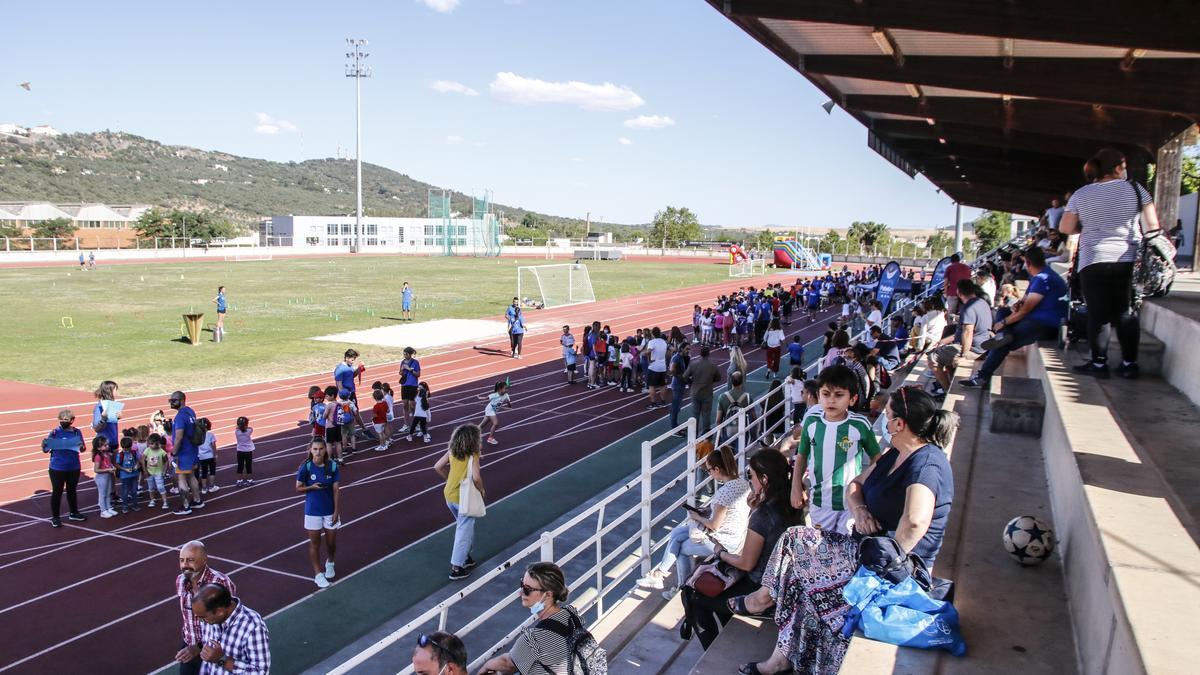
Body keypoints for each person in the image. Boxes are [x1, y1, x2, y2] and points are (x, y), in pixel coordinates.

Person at [680, 448, 802, 649]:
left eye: (751, 476)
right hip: (782, 583)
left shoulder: (763, 515)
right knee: (717, 590)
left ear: (763, 479)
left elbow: (746, 563)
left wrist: (720, 552)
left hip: (759, 587)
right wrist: (754, 508)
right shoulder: (793, 504)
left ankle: (712, 655)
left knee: (692, 595)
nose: (750, 480)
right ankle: (726, 638)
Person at [1059, 147, 1162, 379]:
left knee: (1098, 314)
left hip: (1093, 259)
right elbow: (1152, 226)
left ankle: (1098, 364)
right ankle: (1129, 364)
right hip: (1128, 258)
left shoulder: (1081, 194)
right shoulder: (1137, 190)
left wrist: (1087, 227)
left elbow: (1065, 228)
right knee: (1126, 312)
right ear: (1117, 167)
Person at [636, 446, 751, 597]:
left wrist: (697, 517)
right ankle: (660, 575)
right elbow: (728, 513)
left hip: (724, 543)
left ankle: (683, 590)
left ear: (717, 469)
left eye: (708, 470)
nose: (708, 473)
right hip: (735, 536)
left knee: (681, 550)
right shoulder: (742, 483)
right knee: (677, 533)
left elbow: (714, 525)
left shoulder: (724, 493)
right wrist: (708, 512)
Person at [789, 365, 881, 534]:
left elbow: (877, 457)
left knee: (847, 552)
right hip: (820, 501)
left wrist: (866, 484)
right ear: (818, 395)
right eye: (826, 394)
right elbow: (802, 455)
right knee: (821, 549)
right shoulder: (812, 423)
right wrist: (795, 486)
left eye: (839, 395)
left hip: (851, 504)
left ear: (852, 399)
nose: (831, 400)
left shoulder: (860, 425)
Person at [963, 246, 1069, 388]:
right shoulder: (1041, 276)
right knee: (1003, 312)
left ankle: (982, 376)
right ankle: (1002, 336)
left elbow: (1025, 310)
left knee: (1003, 343)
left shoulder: (1043, 279)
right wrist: (1016, 306)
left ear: (1029, 263)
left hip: (1045, 325)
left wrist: (1004, 322)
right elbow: (1023, 302)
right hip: (1036, 318)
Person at [476, 562, 591, 675]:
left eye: (527, 589)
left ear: (548, 595)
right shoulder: (570, 617)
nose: (521, 592)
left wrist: (486, 666)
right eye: (522, 585)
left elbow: (506, 663)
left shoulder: (536, 637)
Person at [175, 541, 236, 675]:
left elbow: (230, 625)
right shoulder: (180, 581)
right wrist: (191, 644)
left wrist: (199, 647)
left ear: (204, 560)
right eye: (182, 560)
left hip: (215, 651)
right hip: (189, 648)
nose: (185, 565)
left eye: (190, 560)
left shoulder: (220, 583)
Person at [435, 424, 484, 580]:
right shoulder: (473, 454)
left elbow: (437, 467)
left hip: (449, 495)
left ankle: (465, 557)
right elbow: (476, 477)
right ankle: (457, 567)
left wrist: (450, 479)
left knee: (464, 526)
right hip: (464, 497)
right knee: (463, 530)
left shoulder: (452, 451)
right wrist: (482, 490)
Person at [929, 280, 992, 394]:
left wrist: (964, 355)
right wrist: (944, 340)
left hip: (974, 349)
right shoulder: (982, 302)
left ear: (959, 292)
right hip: (983, 345)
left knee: (932, 358)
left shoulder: (968, 308)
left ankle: (947, 390)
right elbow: (965, 331)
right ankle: (949, 382)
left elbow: (968, 332)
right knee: (944, 351)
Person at [191, 583, 270, 674]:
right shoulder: (209, 617)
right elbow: (208, 660)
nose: (201, 621)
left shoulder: (252, 626)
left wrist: (222, 659)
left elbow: (261, 672)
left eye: (203, 617)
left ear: (220, 611)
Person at [296, 436, 340, 588]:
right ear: (310, 450)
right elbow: (298, 487)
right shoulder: (306, 468)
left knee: (331, 543)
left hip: (329, 511)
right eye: (315, 449)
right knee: (314, 543)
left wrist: (336, 511)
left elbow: (336, 490)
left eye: (321, 449)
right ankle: (318, 574)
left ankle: (330, 562)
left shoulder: (332, 466)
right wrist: (311, 487)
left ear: (325, 450)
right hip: (312, 512)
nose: (318, 452)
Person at [42, 409, 87, 527]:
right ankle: (55, 517)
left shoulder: (77, 432)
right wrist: (44, 445)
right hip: (57, 468)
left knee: (72, 490)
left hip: (73, 466)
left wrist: (81, 446)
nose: (63, 422)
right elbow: (46, 450)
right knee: (57, 491)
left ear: (72, 420)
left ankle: (74, 512)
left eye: (66, 420)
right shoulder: (54, 433)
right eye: (61, 420)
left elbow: (83, 449)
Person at [170, 391, 204, 515]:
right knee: (191, 475)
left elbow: (179, 437)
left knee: (181, 477)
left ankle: (185, 506)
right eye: (170, 400)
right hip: (193, 449)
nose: (171, 403)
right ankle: (197, 500)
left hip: (183, 452)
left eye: (173, 400)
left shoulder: (179, 417)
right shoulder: (190, 411)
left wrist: (174, 452)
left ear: (182, 400)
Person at [683, 345, 722, 437]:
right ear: (709, 354)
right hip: (707, 392)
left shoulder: (693, 364)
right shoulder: (712, 365)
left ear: (700, 354)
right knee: (706, 414)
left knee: (695, 413)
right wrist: (710, 380)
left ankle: (694, 434)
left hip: (695, 392)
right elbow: (718, 378)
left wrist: (691, 382)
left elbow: (685, 376)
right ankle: (706, 435)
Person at [142, 433, 171, 509]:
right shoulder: (147, 450)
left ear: (158, 443)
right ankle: (152, 500)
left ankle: (165, 501)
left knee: (160, 487)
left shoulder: (162, 452)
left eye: (152, 444)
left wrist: (164, 471)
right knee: (151, 487)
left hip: (158, 472)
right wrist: (145, 471)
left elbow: (166, 462)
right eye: (149, 443)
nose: (150, 445)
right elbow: (142, 460)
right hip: (150, 472)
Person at [91, 436, 118, 518]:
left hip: (108, 475)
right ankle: (103, 511)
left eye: (107, 445)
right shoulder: (98, 457)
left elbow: (109, 463)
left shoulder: (106, 454)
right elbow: (96, 470)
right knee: (103, 494)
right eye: (105, 445)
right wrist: (108, 469)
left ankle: (108, 507)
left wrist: (112, 467)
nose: (107, 446)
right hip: (102, 477)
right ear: (98, 448)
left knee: (108, 493)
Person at [92, 380, 121, 450]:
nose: (116, 393)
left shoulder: (112, 404)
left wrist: (118, 417)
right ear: (109, 391)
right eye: (115, 390)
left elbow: (111, 424)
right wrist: (103, 418)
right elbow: (96, 428)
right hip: (104, 445)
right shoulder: (100, 407)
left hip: (114, 442)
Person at [398, 347, 421, 434]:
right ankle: (406, 425)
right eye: (403, 354)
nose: (404, 355)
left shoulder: (415, 362)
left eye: (406, 354)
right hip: (404, 385)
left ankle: (417, 423)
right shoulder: (403, 362)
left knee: (412, 405)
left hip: (413, 385)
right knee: (404, 405)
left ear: (410, 354)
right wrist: (402, 370)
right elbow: (400, 373)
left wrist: (410, 369)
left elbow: (418, 374)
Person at [645, 327, 669, 410]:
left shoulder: (652, 342)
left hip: (654, 367)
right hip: (663, 367)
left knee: (652, 386)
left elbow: (648, 351)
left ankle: (653, 403)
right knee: (662, 385)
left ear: (652, 334)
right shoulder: (664, 342)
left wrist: (645, 354)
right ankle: (663, 402)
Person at [668, 343, 691, 432]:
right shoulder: (676, 357)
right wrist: (681, 377)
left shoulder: (682, 358)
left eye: (689, 349)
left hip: (680, 385)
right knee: (675, 407)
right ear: (681, 349)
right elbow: (672, 370)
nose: (688, 351)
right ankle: (674, 428)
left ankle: (676, 425)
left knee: (677, 407)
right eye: (687, 349)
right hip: (677, 385)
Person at [480, 381, 511, 446]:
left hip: (493, 411)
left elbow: (509, 406)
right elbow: (486, 397)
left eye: (507, 388)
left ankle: (472, 434)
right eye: (505, 388)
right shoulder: (495, 395)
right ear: (500, 389)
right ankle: (490, 438)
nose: (507, 390)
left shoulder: (506, 395)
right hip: (489, 409)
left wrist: (508, 403)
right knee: (496, 423)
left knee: (482, 425)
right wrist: (480, 398)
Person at [116, 436, 142, 513]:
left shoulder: (134, 452)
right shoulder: (120, 455)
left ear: (131, 446)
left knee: (134, 491)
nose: (126, 450)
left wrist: (137, 465)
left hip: (134, 475)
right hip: (125, 476)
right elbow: (117, 464)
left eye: (127, 448)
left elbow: (138, 459)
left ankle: (135, 505)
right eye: (124, 448)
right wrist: (125, 469)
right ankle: (125, 506)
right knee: (125, 491)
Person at [196, 418, 218, 494]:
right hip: (210, 456)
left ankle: (204, 488)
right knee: (212, 471)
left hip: (201, 457)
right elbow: (213, 446)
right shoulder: (211, 434)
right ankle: (212, 486)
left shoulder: (197, 436)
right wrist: (215, 455)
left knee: (204, 472)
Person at [234, 417, 254, 487]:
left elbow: (237, 428)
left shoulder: (236, 432)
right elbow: (250, 428)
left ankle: (239, 481)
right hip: (248, 451)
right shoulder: (249, 431)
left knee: (240, 466)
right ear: (246, 425)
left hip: (240, 451)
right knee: (248, 466)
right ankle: (249, 480)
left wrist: (240, 426)